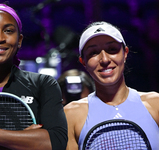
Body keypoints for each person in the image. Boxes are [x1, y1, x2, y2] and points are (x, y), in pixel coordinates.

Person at [0, 3, 67, 150]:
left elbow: (56, 142)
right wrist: (25, 139)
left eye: (8, 31)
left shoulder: (43, 84)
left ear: (19, 41)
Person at [64, 21, 159, 150]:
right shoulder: (70, 115)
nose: (104, 59)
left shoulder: (156, 104)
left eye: (112, 49)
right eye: (93, 52)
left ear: (125, 53)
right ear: (83, 62)